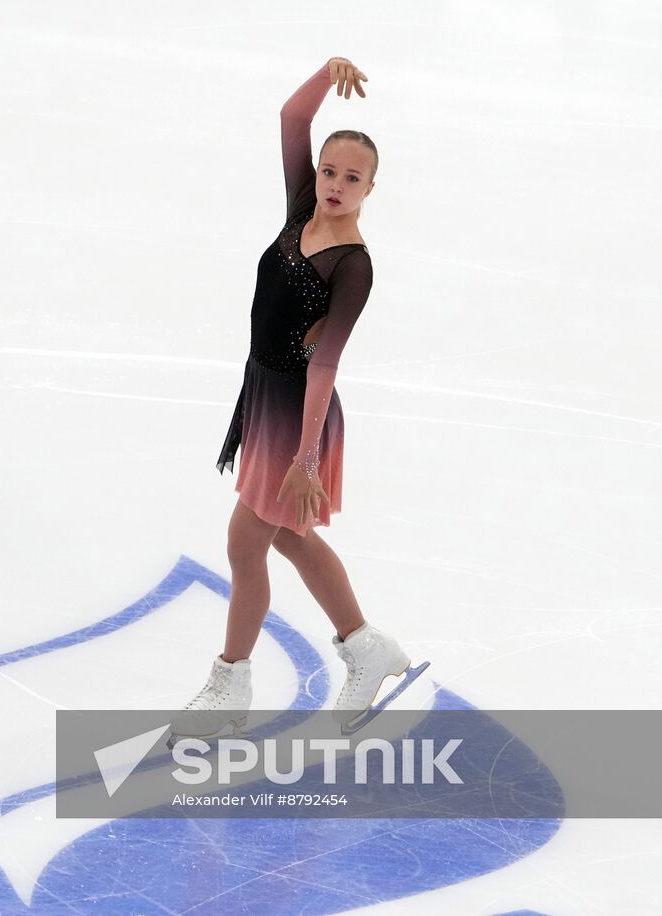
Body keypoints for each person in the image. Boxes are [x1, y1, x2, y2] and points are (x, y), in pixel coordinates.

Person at [171, 57, 427, 741]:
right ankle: (365, 647)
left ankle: (231, 682)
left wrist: (307, 457)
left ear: (373, 187)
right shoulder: (300, 213)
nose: (336, 185)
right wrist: (327, 70)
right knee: (286, 533)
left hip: (299, 415)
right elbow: (292, 118)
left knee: (246, 538)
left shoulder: (352, 264)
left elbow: (328, 364)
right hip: (265, 393)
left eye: (352, 177)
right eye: (329, 171)